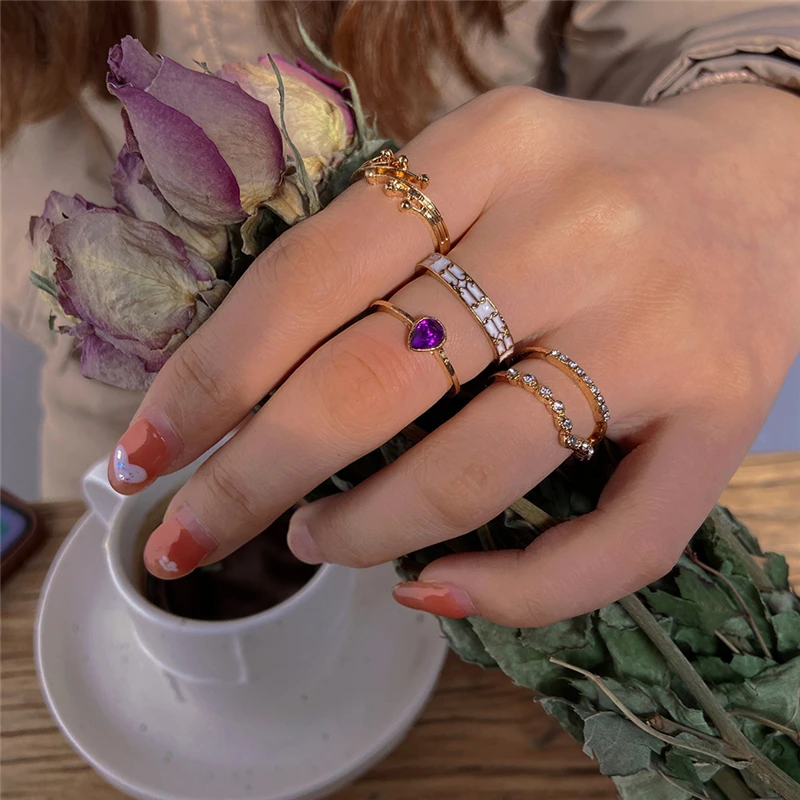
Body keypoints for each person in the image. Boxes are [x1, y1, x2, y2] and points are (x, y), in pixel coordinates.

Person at [2, 1, 799, 627]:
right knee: (107, 604)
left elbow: (716, 22)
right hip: (127, 391)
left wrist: (753, 146)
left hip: (524, 368)